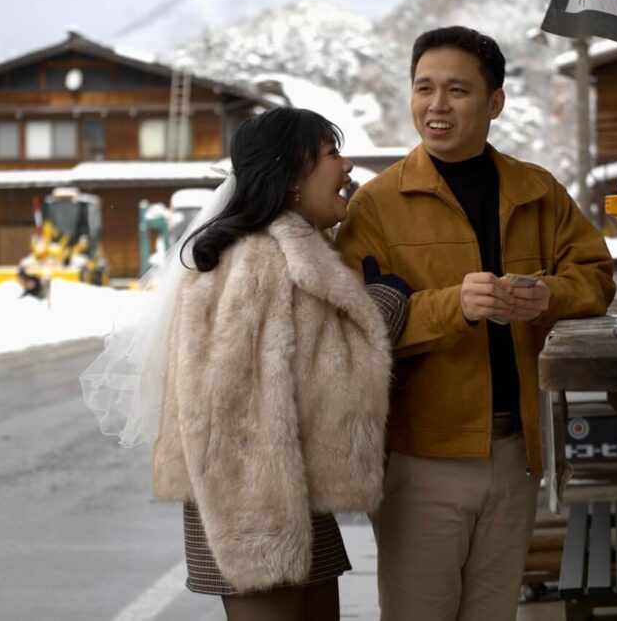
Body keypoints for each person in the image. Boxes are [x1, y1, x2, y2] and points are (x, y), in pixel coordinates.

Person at [82, 107, 411, 621]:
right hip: (253, 512)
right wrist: (385, 303)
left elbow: (308, 371)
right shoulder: (253, 261)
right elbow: (233, 417)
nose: (347, 167)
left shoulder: (287, 249)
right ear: (293, 174)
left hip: (292, 500)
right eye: (332, 153)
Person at [335, 26, 616, 621]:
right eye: (424, 88)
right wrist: (452, 306)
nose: (436, 105)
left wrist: (549, 296)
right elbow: (349, 330)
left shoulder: (538, 191)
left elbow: (596, 276)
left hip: (518, 454)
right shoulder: (377, 205)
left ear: (495, 102)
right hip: (420, 458)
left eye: (457, 90)